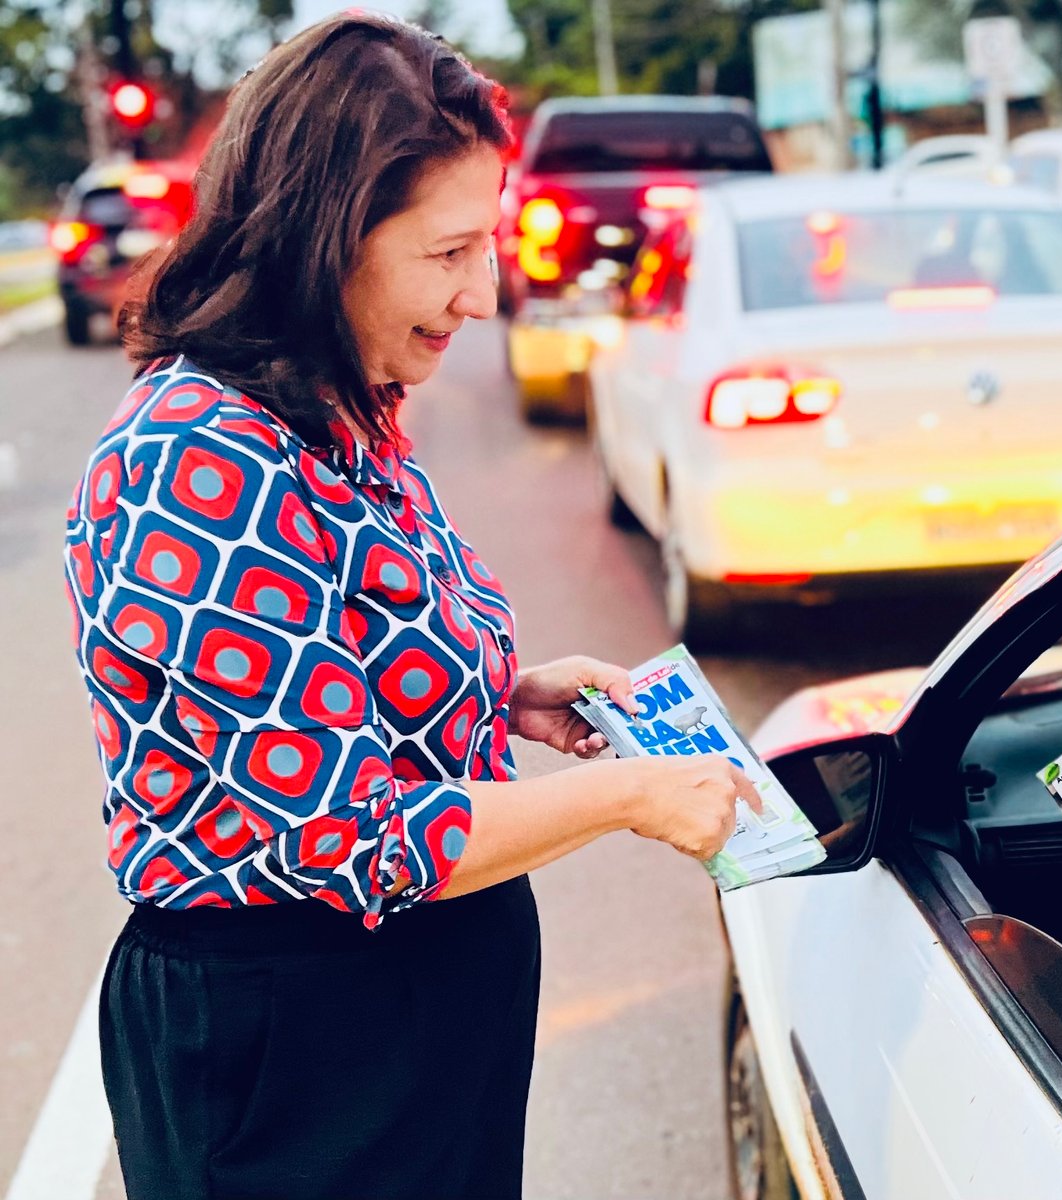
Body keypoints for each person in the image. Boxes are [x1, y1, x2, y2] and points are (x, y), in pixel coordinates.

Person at [64, 15, 759, 1200]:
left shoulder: (335, 410)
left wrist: (508, 693)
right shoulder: (198, 462)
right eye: (448, 255)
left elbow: (343, 667)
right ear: (321, 235)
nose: (483, 295)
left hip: (406, 1019)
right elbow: (356, 837)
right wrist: (631, 795)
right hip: (299, 1058)